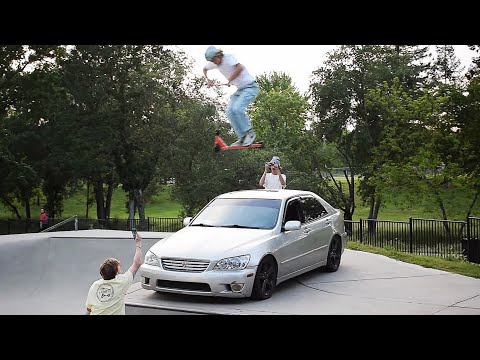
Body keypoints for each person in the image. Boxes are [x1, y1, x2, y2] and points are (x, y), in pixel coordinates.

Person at [203, 46, 259, 147]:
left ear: (218, 55)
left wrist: (230, 79)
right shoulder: (214, 63)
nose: (214, 62)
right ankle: (242, 137)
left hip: (250, 87)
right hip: (240, 90)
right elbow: (205, 69)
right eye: (212, 61)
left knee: (237, 108)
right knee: (229, 111)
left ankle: (249, 133)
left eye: (214, 59)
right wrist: (208, 80)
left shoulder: (228, 58)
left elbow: (240, 67)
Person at [85, 232, 143, 315]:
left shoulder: (95, 286)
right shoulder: (121, 282)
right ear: (116, 272)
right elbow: (136, 264)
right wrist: (138, 243)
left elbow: (88, 310)